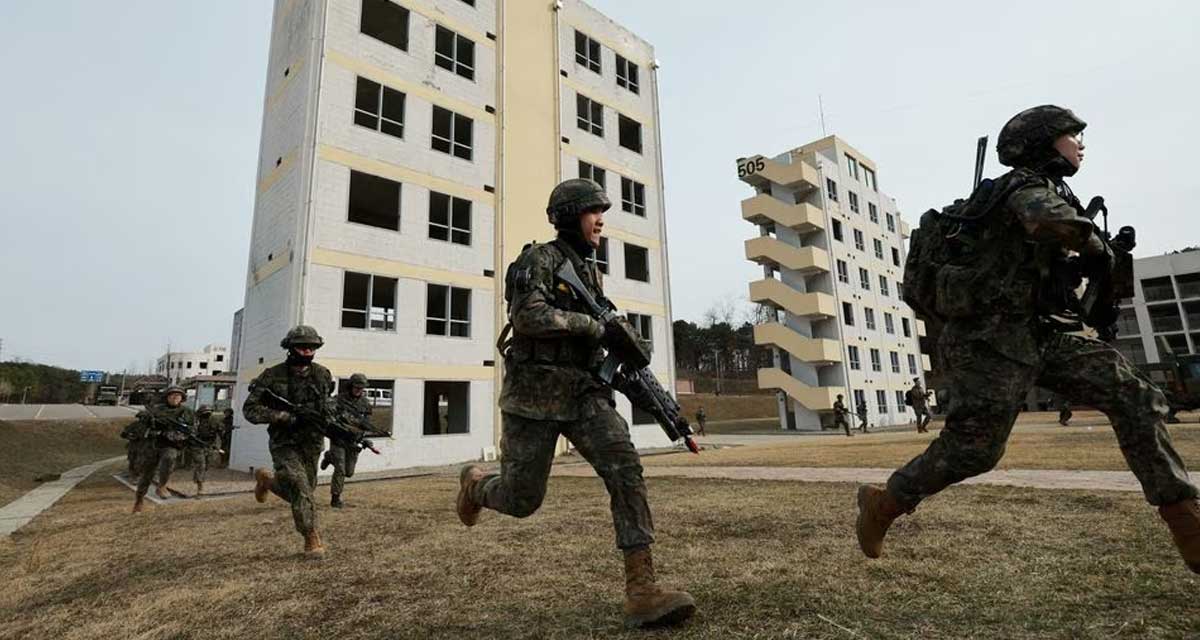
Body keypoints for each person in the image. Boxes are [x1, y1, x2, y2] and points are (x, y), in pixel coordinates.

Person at [857, 105, 1200, 574]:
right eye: (1072, 135)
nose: (1081, 144)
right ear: (1043, 142)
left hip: (1045, 331)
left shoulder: (1055, 190)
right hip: (990, 339)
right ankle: (883, 504)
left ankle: (1184, 517)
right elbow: (1045, 219)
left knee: (1134, 394)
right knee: (973, 451)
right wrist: (1096, 247)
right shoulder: (1022, 186)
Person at [456, 179, 695, 629]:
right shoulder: (538, 259)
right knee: (522, 499)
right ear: (568, 216)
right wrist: (595, 326)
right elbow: (528, 316)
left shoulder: (590, 272)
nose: (600, 221)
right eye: (592, 212)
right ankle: (476, 486)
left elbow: (601, 338)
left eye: (601, 213)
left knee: (625, 468)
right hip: (533, 397)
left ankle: (642, 590)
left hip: (584, 392)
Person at [243, 325, 335, 557]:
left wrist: (330, 418)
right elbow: (250, 410)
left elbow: (327, 403)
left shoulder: (323, 374)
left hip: (312, 442)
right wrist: (284, 417)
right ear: (290, 348)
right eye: (302, 346)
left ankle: (267, 481)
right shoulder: (271, 376)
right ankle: (311, 537)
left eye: (311, 347)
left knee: (306, 490)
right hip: (284, 442)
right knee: (300, 487)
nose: (307, 351)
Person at [132, 386, 195, 512]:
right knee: (147, 475)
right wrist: (152, 426)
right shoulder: (156, 410)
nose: (175, 397)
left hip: (171, 444)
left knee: (169, 458)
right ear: (167, 397)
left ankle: (162, 485)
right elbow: (142, 426)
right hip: (154, 444)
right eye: (172, 395)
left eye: (178, 395)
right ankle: (139, 500)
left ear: (182, 398)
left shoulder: (186, 412)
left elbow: (191, 429)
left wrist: (176, 435)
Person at [322, 373, 374, 508]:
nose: (358, 390)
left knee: (349, 472)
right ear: (350, 386)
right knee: (340, 469)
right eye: (356, 387)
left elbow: (366, 424)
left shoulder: (365, 403)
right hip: (338, 439)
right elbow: (328, 415)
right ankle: (335, 498)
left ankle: (329, 457)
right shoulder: (339, 399)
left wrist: (364, 438)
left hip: (353, 441)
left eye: (361, 388)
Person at [191, 405, 226, 496]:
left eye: (208, 413)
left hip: (209, 446)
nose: (206, 415)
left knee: (206, 465)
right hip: (197, 446)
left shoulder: (214, 421)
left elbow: (221, 432)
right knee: (201, 465)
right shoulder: (196, 422)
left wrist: (221, 430)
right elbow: (192, 433)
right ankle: (200, 486)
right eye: (204, 413)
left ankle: (198, 478)